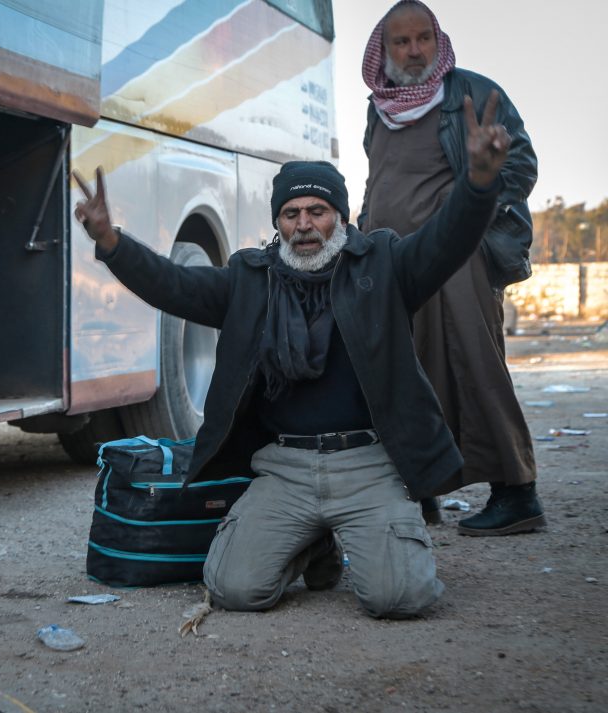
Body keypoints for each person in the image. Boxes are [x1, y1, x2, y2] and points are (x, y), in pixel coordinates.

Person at [73, 92, 510, 618]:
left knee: (400, 599)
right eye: (291, 213)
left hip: (368, 465)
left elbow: (447, 239)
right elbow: (176, 287)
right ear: (278, 223)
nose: (303, 224)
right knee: (235, 590)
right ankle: (313, 543)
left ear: (341, 219)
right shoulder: (250, 280)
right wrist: (111, 241)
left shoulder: (386, 265)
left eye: (317, 211)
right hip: (285, 468)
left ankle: (362, 536)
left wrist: (478, 183)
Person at [359, 0, 544, 536]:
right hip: (395, 263)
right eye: (402, 41)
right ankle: (422, 490)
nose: (414, 51)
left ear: (437, 42)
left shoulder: (472, 93)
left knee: (475, 365)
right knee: (406, 373)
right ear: (385, 49)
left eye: (423, 39)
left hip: (460, 258)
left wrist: (471, 221)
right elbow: (381, 182)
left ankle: (517, 492)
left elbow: (521, 164)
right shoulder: (381, 107)